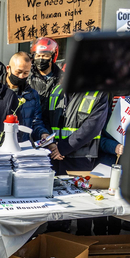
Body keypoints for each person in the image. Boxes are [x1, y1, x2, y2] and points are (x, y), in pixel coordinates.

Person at [45, 85, 108, 235]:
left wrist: (63, 147)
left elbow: (91, 127)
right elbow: (45, 117)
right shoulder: (56, 90)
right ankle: (55, 235)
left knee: (83, 201)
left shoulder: (98, 93)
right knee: (55, 199)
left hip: (81, 156)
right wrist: (51, 144)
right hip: (55, 154)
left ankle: (83, 238)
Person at [2, 51, 49, 142]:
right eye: (18, 72)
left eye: (25, 73)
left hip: (22, 147)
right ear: (8, 68)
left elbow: (36, 122)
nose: (21, 76)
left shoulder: (32, 95)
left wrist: (43, 133)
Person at [28, 37, 63, 125]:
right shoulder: (27, 77)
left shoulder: (62, 78)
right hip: (32, 124)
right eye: (38, 55)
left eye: (45, 56)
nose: (41, 59)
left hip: (53, 125)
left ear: (53, 57)